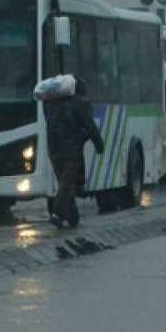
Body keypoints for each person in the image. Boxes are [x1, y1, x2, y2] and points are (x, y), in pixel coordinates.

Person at [43, 76, 104, 229]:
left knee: (64, 182)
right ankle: (57, 213)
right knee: (66, 182)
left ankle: (72, 215)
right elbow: (90, 126)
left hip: (53, 148)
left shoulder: (49, 104)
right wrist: (99, 145)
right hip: (71, 149)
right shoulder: (79, 104)